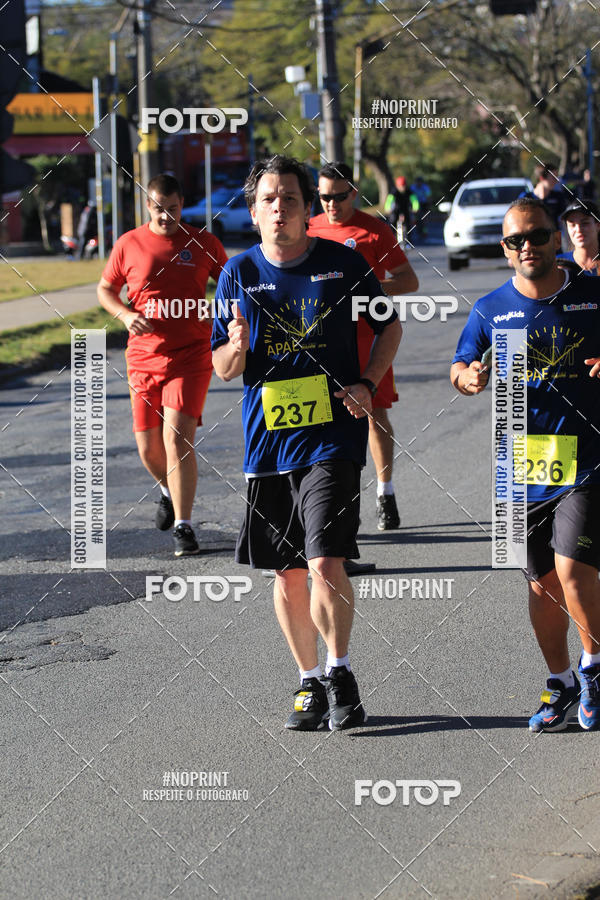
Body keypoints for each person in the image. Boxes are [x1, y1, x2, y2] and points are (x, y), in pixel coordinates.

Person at [211, 155, 402, 731]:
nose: (279, 208)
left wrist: (368, 383)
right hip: (267, 444)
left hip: (333, 438)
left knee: (324, 560)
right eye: (268, 199)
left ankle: (340, 670)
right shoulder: (237, 274)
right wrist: (237, 346)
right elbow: (222, 367)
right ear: (253, 211)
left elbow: (389, 324)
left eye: (289, 199)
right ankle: (308, 680)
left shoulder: (343, 265)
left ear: (305, 209)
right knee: (287, 573)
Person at [450, 196, 600, 733]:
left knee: (573, 570)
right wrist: (468, 377)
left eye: (537, 236)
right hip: (521, 466)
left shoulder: (591, 295)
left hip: (587, 460)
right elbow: (462, 362)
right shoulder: (492, 308)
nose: (528, 247)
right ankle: (560, 681)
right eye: (517, 240)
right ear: (505, 248)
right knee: (540, 584)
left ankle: (594, 668)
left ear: (556, 239)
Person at [97, 173, 227, 556]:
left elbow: (232, 282)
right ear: (147, 204)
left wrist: (217, 309)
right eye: (158, 208)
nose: (166, 216)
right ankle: (168, 490)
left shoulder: (203, 243)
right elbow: (106, 288)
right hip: (143, 356)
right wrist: (123, 314)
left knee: (177, 439)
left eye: (173, 209)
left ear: (181, 205)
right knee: (147, 447)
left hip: (190, 354)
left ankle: (184, 527)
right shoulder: (129, 243)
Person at [308, 162, 418, 532]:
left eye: (339, 196)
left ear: (354, 193)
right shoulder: (308, 230)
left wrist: (370, 290)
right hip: (321, 341)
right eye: (324, 197)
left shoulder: (374, 231)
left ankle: (385, 491)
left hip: (369, 340)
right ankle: (324, 506)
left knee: (375, 415)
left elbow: (409, 281)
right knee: (321, 420)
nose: (331, 204)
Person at [558, 199, 600, 276]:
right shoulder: (556, 264)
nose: (578, 230)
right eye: (572, 225)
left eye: (585, 223)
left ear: (598, 226)